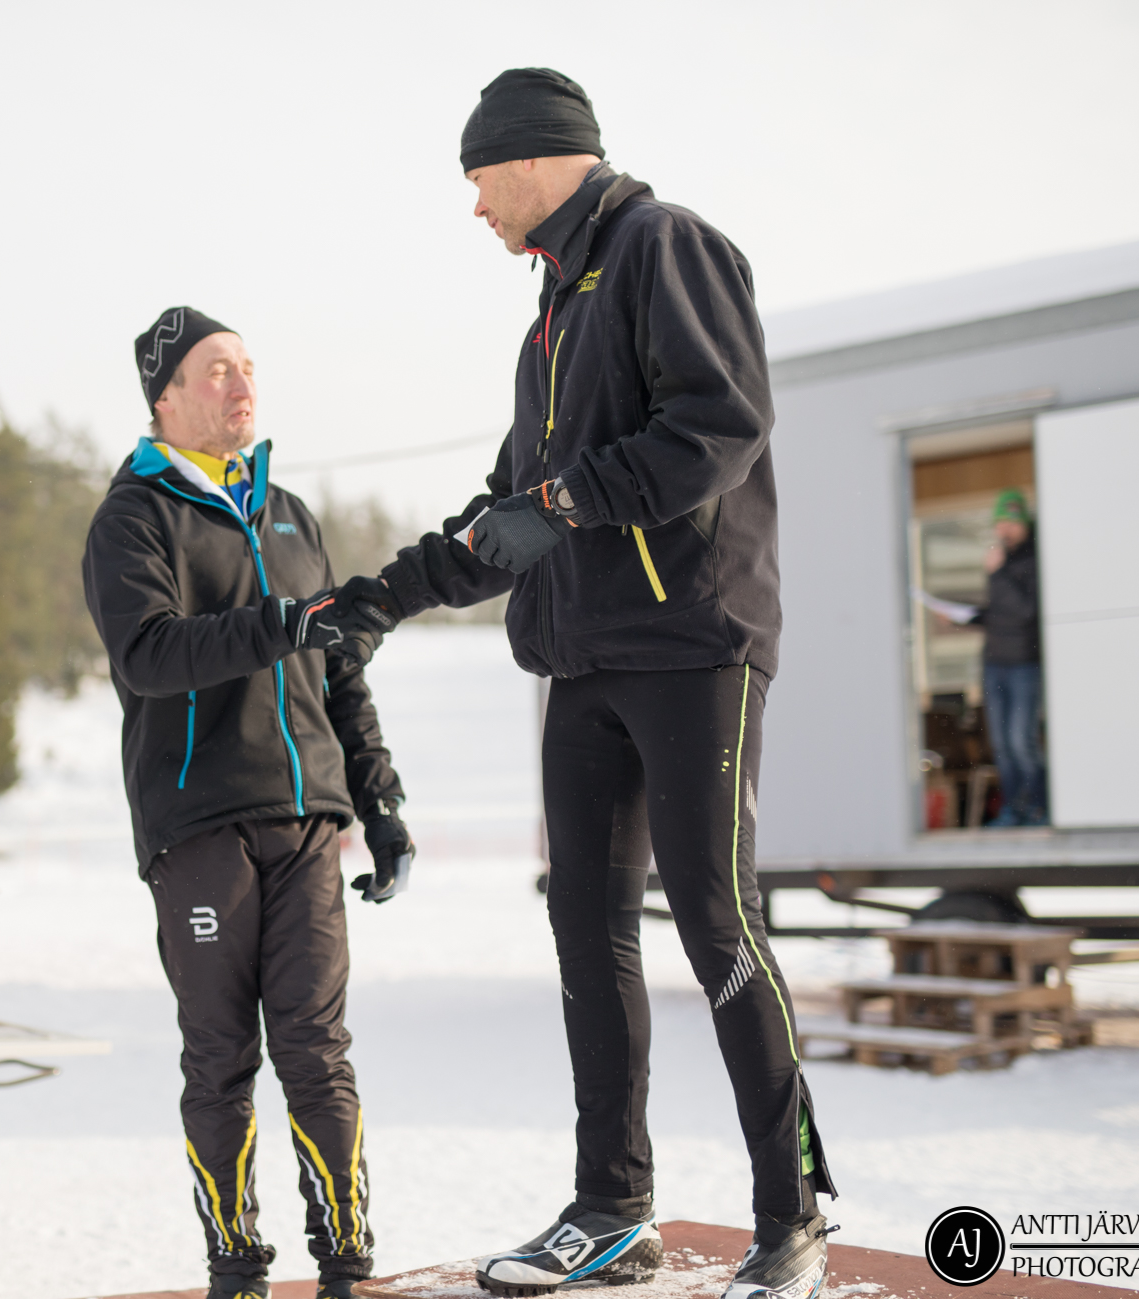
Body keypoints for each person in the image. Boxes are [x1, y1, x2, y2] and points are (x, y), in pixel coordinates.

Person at [315, 70, 836, 1299]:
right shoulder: (552, 315)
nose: (474, 207)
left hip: (692, 644)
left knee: (716, 919)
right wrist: (383, 596)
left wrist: (567, 500)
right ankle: (612, 1207)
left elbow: (719, 425)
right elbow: (506, 515)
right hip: (584, 659)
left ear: (530, 159)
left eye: (478, 180)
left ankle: (793, 1212)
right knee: (584, 930)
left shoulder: (664, 246)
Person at [81, 307, 414, 1299]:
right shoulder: (133, 517)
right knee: (222, 1056)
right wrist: (286, 621)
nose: (241, 384)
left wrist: (380, 802)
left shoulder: (290, 514)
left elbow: (340, 674)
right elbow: (148, 654)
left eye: (247, 366)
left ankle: (346, 1264)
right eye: (217, 369)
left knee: (317, 1050)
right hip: (198, 824)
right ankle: (235, 1266)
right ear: (165, 397)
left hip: (307, 822)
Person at [966, 490, 1046, 826]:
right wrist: (966, 617)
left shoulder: (1034, 559)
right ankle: (1013, 809)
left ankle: (1038, 808)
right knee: (1001, 745)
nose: (1005, 530)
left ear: (1025, 525)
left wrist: (998, 574)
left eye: (1012, 523)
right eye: (1000, 523)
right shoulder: (1002, 561)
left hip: (1024, 664)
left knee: (1020, 741)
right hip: (994, 663)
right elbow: (1000, 612)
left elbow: (1027, 611)